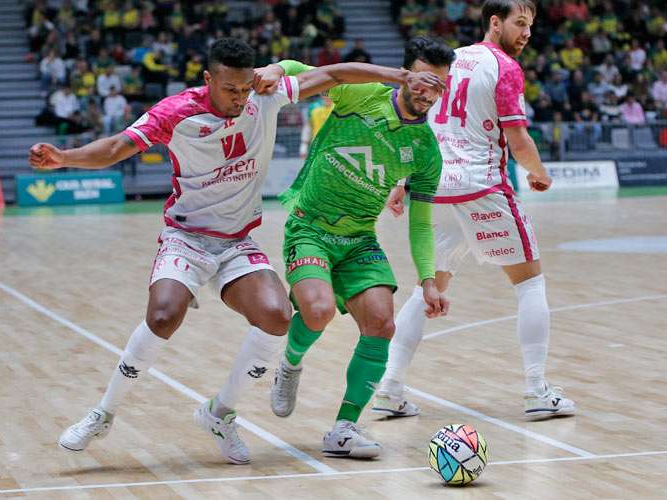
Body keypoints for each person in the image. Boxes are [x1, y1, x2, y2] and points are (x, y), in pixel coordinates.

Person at [29, 38, 445, 465]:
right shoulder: (176, 113)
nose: (239, 97)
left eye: (245, 87)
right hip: (187, 237)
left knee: (279, 316)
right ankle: (103, 413)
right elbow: (117, 148)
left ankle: (220, 413)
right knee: (163, 315)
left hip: (238, 243)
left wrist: (386, 76)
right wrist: (65, 158)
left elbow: (333, 74)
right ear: (209, 79)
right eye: (230, 89)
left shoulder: (262, 97)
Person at [376, 0, 576, 420]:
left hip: (436, 189)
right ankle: (537, 389)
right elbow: (518, 140)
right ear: (495, 22)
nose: (525, 33)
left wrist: (400, 181)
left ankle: (390, 387)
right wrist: (539, 173)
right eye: (519, 24)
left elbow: (419, 120)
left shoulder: (450, 61)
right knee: (530, 284)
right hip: (482, 186)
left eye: (530, 26)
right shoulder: (504, 67)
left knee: (428, 286)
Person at [257, 36, 452, 459]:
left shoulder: (426, 151)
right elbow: (314, 72)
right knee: (319, 310)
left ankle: (344, 428)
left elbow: (420, 222)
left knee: (383, 323)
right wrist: (278, 69)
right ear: (404, 75)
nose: (427, 90)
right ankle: (290, 364)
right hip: (310, 229)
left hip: (361, 239)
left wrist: (429, 280)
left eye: (437, 84)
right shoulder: (362, 93)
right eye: (421, 79)